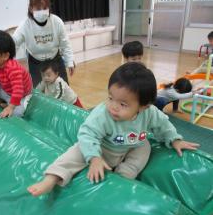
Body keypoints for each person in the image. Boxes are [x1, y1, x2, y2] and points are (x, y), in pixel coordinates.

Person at [27, 62, 199, 197]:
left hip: (131, 143)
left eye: (123, 104)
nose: (113, 107)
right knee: (76, 151)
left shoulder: (150, 113)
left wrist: (175, 139)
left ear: (144, 106)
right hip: (102, 146)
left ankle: (124, 175)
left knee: (144, 147)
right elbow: (88, 133)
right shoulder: (103, 113)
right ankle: (51, 179)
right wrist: (94, 158)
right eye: (110, 98)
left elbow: (164, 124)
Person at [12, 0, 75, 87]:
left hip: (55, 59)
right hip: (36, 62)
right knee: (39, 93)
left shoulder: (57, 22)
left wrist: (69, 61)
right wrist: (8, 63)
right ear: (31, 9)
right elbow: (13, 44)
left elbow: (65, 43)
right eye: (38, 8)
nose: (42, 11)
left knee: (64, 89)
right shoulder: (25, 25)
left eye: (45, 8)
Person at [0, 30, 33, 118]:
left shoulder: (13, 69)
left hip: (22, 93)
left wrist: (10, 108)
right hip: (7, 90)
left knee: (17, 113)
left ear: (5, 56)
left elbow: (18, 90)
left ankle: (9, 103)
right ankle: (5, 100)